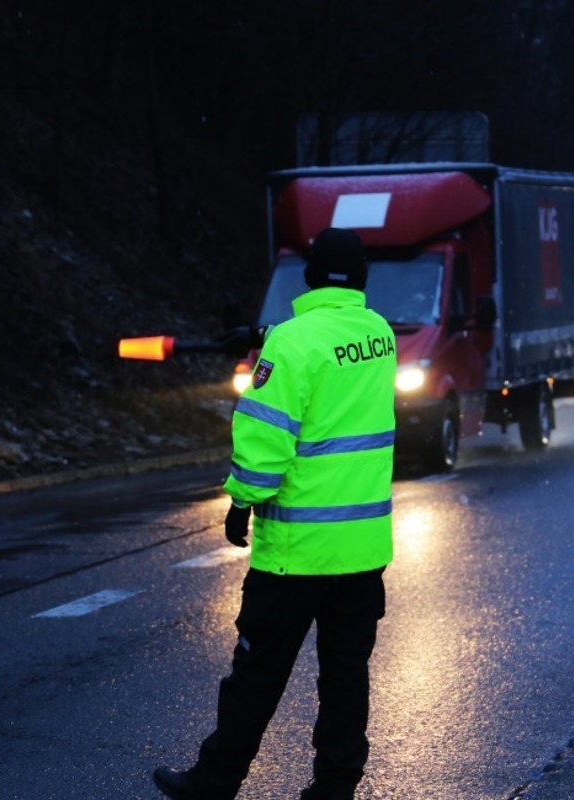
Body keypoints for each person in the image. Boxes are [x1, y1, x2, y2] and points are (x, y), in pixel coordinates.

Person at [154, 228, 397, 800]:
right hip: (361, 551)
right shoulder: (380, 335)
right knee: (345, 676)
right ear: (362, 278)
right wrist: (265, 336)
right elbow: (331, 346)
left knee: (257, 673)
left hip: (295, 553)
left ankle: (214, 783)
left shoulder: (289, 344)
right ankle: (334, 788)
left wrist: (241, 501)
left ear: (308, 276)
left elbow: (265, 441)